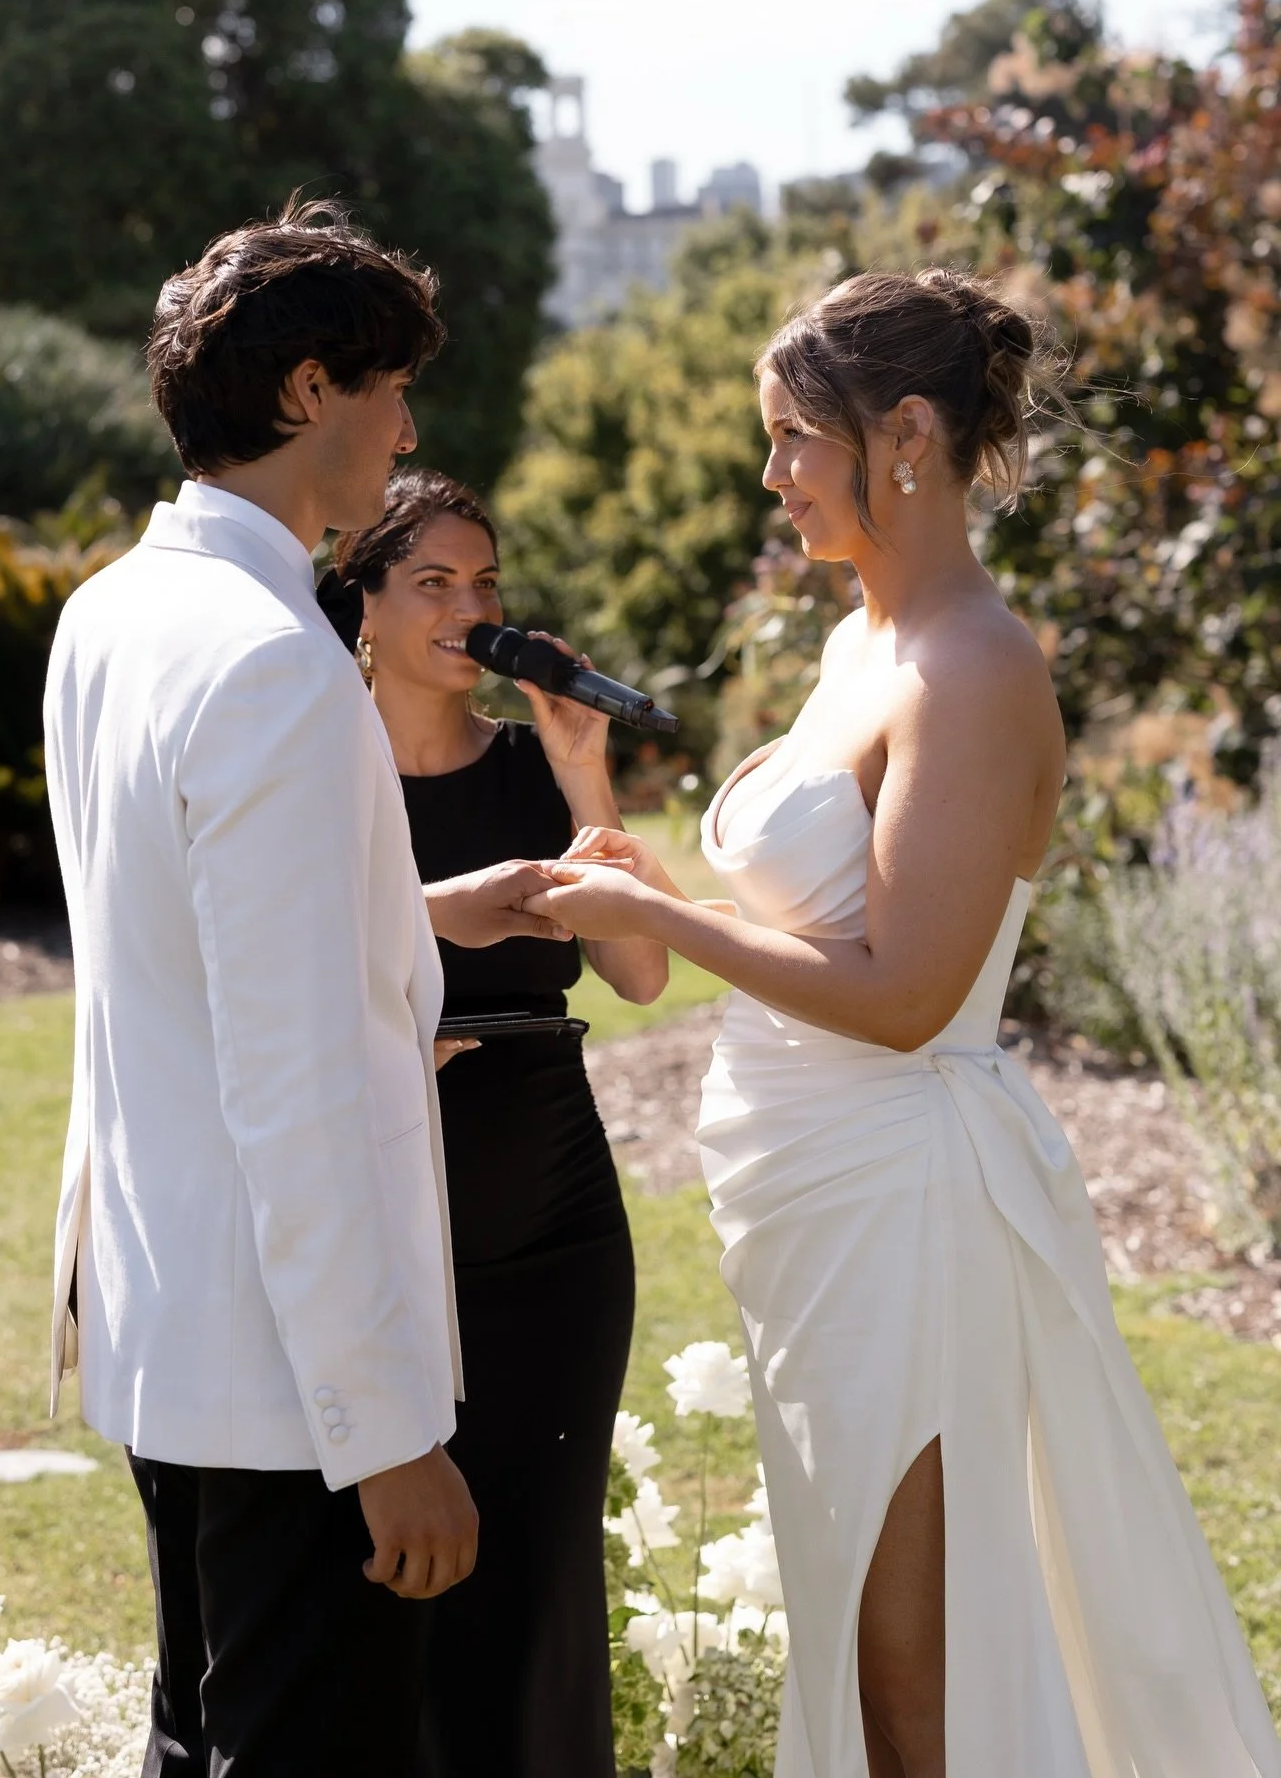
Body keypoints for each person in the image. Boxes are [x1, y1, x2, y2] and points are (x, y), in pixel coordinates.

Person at [522, 269, 1281, 1778]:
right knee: (845, 1597)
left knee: (909, 1634)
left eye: (796, 435)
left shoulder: (976, 671)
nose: (772, 473)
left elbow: (907, 996)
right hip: (809, 1188)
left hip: (903, 1194)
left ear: (909, 433)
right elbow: (821, 921)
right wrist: (628, 846)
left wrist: (667, 924)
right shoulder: (858, 642)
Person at [42, 200, 564, 1778]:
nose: (407, 429)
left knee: (195, 1744)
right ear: (307, 392)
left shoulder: (110, 613)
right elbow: (294, 1080)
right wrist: (387, 1435)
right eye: (390, 390)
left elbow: (182, 962)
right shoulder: (275, 661)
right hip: (287, 1391)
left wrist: (407, 929)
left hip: (160, 1332)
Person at [329, 468, 667, 1778]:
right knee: (383, 1588)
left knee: (537, 1584)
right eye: (431, 583)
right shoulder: (317, 770)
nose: (468, 610)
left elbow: (639, 975)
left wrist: (584, 770)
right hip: (375, 1224)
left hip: (553, 1232)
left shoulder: (533, 767)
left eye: (486, 585)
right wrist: (439, 909)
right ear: (362, 602)